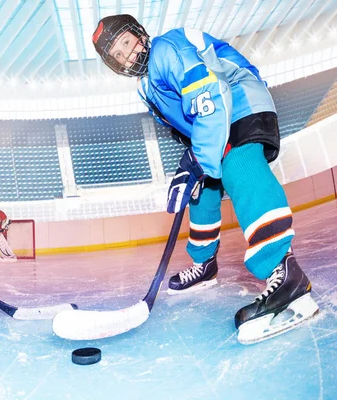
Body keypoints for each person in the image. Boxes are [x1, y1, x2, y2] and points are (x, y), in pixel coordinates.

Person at [92, 15, 319, 344]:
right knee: (201, 192)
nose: (126, 55)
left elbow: (211, 95)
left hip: (238, 103)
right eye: (117, 54)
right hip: (212, 123)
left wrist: (200, 156)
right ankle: (205, 266)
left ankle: (285, 274)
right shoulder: (144, 88)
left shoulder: (166, 49)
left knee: (238, 164)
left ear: (140, 34)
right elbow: (183, 121)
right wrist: (193, 159)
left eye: (126, 43)